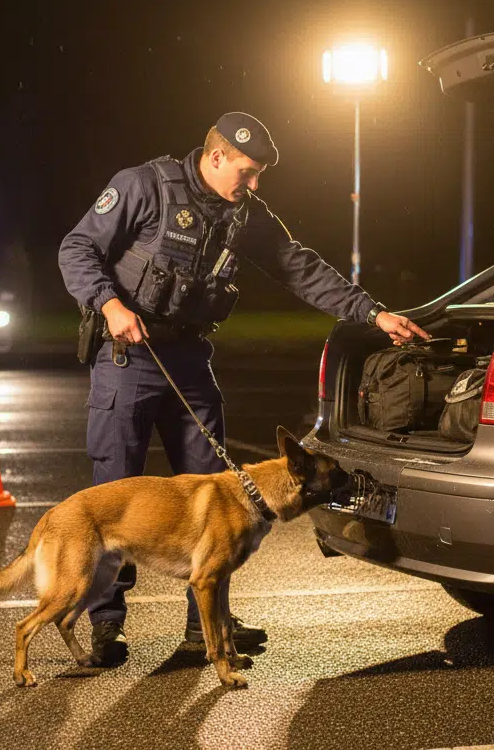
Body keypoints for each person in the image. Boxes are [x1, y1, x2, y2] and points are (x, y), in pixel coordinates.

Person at [57, 111, 430, 664]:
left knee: (218, 491)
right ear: (215, 157)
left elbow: (299, 267)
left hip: (187, 357)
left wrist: (372, 314)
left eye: (258, 176)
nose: (253, 185)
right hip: (129, 354)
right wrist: (110, 305)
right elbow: (76, 249)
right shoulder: (143, 186)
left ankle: (205, 624)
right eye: (247, 171)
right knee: (117, 491)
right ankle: (105, 622)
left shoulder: (244, 214)